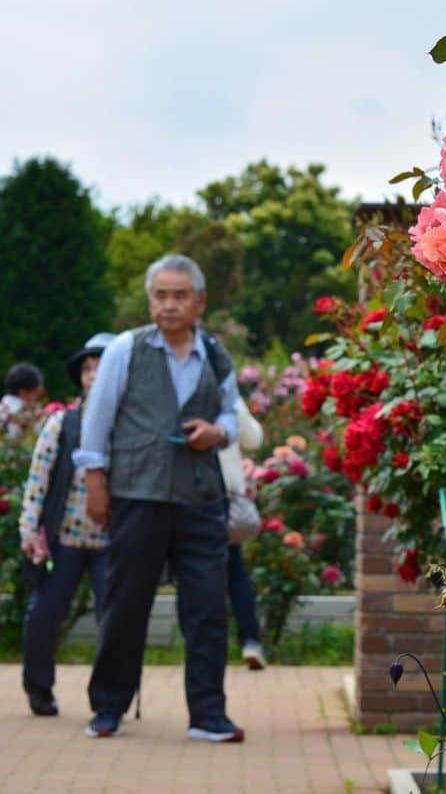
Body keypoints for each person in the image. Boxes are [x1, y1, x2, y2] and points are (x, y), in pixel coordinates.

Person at [76, 253, 244, 742]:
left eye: (179, 296)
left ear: (200, 301)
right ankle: (108, 708)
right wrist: (94, 484)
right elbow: (97, 421)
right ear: (150, 299)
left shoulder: (215, 354)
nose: (169, 306)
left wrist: (215, 431)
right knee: (125, 605)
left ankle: (208, 715)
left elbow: (234, 419)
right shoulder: (124, 350)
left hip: (201, 499)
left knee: (209, 609)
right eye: (160, 295)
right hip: (137, 496)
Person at [19, 335, 114, 716]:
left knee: (117, 618)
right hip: (64, 538)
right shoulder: (62, 423)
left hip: (112, 539)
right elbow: (38, 479)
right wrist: (29, 529)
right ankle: (38, 687)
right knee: (45, 612)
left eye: (101, 368)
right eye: (87, 370)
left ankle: (109, 696)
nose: (93, 376)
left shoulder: (128, 426)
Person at [219, 397, 267, 669]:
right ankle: (250, 640)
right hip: (226, 496)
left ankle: (210, 646)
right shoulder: (228, 396)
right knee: (235, 572)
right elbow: (254, 439)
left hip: (191, 497)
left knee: (195, 574)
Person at [2, 362, 46, 438]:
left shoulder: (3, 407)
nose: (37, 395)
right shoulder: (27, 413)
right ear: (23, 392)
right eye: (35, 390)